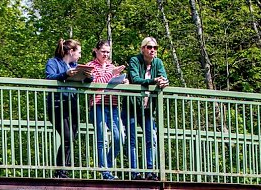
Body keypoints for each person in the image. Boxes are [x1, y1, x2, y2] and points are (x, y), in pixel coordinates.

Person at [122, 37, 169, 181]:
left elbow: (164, 77)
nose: (152, 50)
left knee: (152, 138)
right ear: (143, 49)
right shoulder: (135, 60)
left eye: (155, 47)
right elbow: (135, 79)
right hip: (131, 106)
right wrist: (153, 81)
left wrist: (163, 81)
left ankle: (150, 171)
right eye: (149, 47)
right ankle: (134, 173)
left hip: (148, 108)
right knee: (132, 140)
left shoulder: (158, 62)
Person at [86, 40, 128, 181]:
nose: (106, 54)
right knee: (102, 138)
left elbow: (115, 85)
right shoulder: (90, 66)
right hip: (98, 104)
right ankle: (105, 171)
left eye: (108, 51)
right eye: (103, 51)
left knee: (120, 137)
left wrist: (123, 82)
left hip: (113, 105)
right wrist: (112, 73)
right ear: (96, 51)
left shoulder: (111, 66)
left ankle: (108, 164)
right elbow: (96, 85)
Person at [44, 39, 87, 178]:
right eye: (79, 52)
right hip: (57, 105)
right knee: (67, 137)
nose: (80, 55)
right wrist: (66, 74)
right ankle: (60, 171)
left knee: (71, 138)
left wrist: (88, 77)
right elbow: (50, 78)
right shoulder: (53, 62)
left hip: (72, 104)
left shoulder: (75, 65)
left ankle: (63, 170)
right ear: (71, 51)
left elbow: (83, 80)